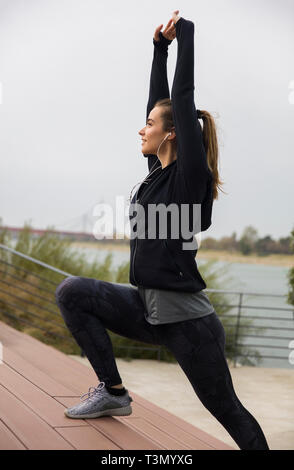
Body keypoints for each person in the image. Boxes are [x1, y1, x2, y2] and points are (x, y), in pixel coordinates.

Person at [55, 10, 269, 450]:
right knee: (71, 291)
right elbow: (161, 104)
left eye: (150, 125)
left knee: (228, 410)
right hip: (146, 308)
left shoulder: (191, 178)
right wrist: (158, 49)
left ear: (172, 136)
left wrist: (185, 34)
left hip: (188, 324)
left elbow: (181, 99)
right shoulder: (156, 172)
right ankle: (113, 393)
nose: (142, 127)